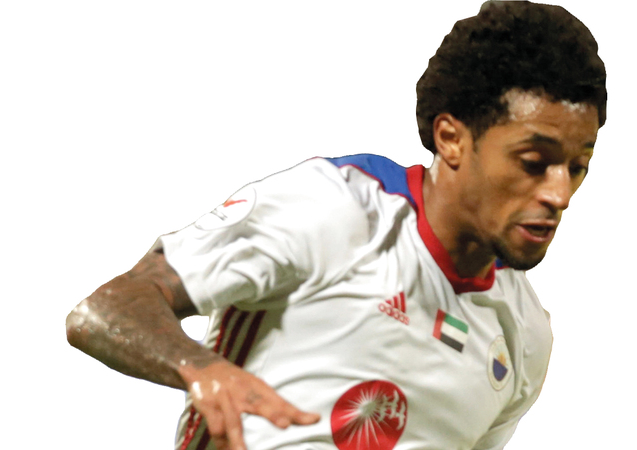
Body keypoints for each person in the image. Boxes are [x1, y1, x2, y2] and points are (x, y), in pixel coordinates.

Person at [66, 1, 606, 449]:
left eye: (578, 167)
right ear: (451, 139)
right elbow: (108, 309)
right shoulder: (334, 210)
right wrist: (201, 369)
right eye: (533, 163)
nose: (559, 194)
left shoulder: (525, 337)